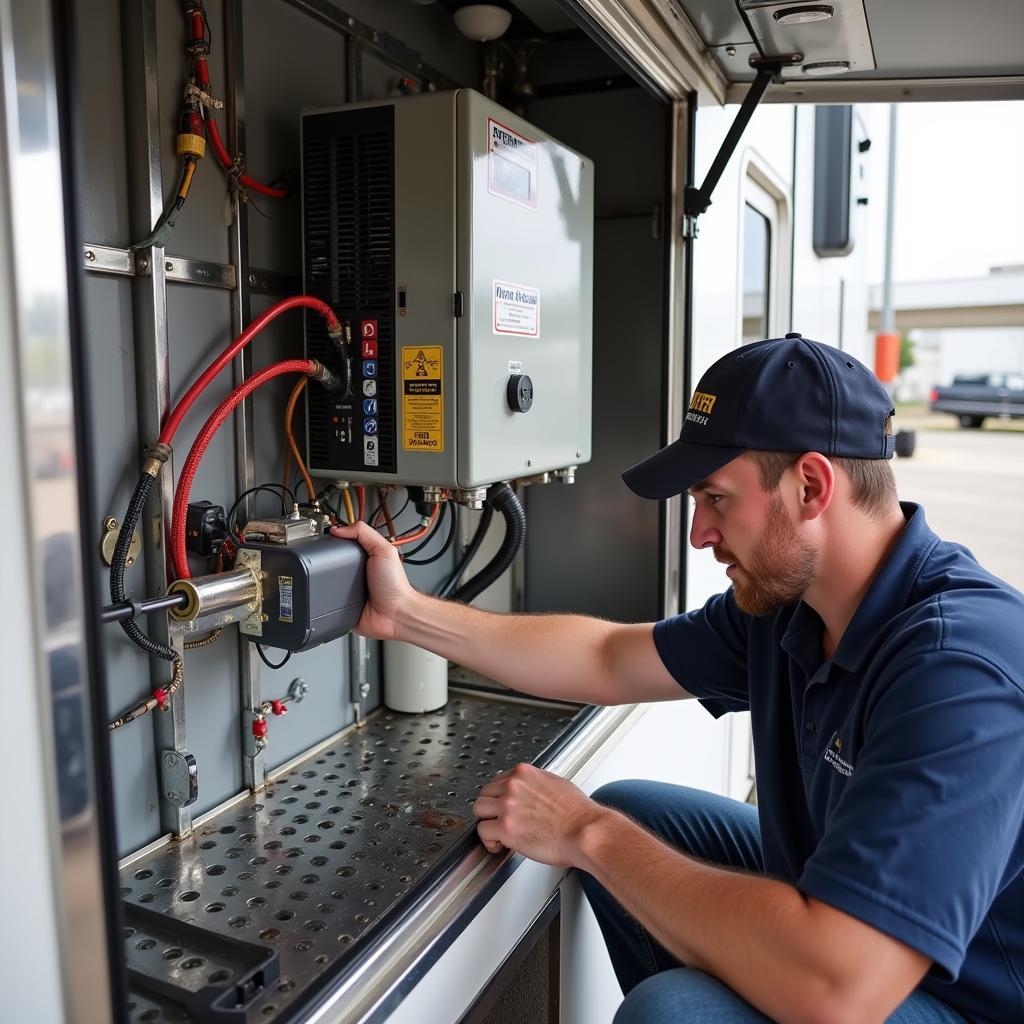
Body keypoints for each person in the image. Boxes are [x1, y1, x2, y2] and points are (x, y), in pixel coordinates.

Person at [332, 334, 1024, 1024]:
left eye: (716, 499)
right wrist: (405, 614)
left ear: (810, 486)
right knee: (635, 814)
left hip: (952, 999)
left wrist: (587, 833)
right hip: (847, 945)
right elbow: (606, 657)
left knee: (673, 1011)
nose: (698, 533)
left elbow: (839, 992)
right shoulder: (792, 608)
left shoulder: (961, 669)